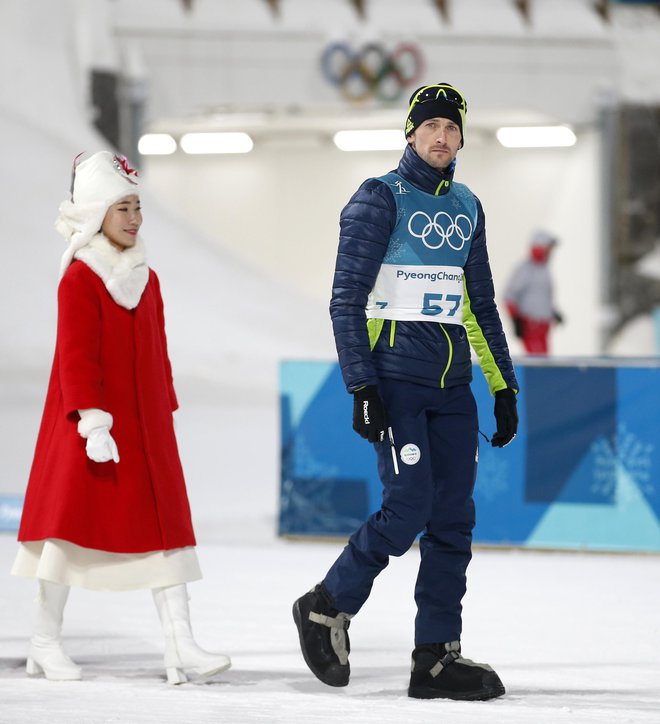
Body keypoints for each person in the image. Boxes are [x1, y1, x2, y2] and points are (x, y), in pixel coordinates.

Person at [292, 83, 519, 701]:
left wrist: (503, 386)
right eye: (431, 127)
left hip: (454, 389)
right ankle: (326, 605)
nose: (442, 137)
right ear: (411, 134)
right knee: (408, 508)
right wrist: (363, 385)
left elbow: (479, 305)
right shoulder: (379, 198)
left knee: (454, 520)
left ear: (462, 137)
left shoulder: (468, 205)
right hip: (398, 383)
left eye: (452, 127)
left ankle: (436, 658)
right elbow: (345, 299)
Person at [12, 151, 231, 685]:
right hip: (88, 425)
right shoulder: (80, 279)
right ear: (94, 215)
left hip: (145, 426)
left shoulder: (146, 277)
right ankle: (44, 641)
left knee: (165, 532)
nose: (134, 218)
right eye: (122, 208)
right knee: (67, 531)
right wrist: (92, 420)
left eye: (137, 207)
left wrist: (165, 409)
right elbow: (75, 357)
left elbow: (157, 349)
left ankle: (181, 645)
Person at [504, 230, 562, 354]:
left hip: (543, 327)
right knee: (537, 361)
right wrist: (516, 320)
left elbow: (541, 297)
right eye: (548, 248)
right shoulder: (526, 269)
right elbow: (509, 296)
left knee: (543, 359)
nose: (551, 252)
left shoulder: (544, 270)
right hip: (531, 325)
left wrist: (553, 313)